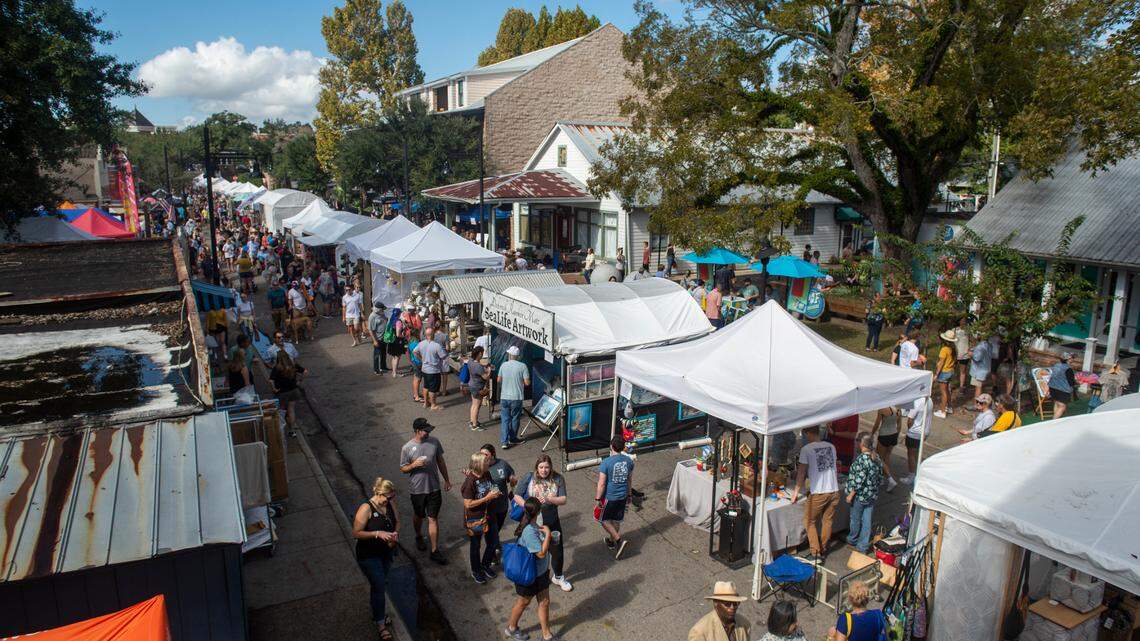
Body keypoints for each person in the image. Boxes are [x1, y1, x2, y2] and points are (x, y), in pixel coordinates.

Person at [504, 498, 562, 641]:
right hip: (529, 575)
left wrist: (549, 539)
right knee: (523, 602)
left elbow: (542, 547)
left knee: (544, 602)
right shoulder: (529, 531)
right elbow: (540, 553)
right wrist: (548, 534)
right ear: (538, 511)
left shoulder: (534, 525)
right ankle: (511, 628)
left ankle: (547, 636)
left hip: (540, 573)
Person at [515, 454, 571, 591]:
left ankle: (558, 577)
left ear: (551, 467)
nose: (544, 470)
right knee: (531, 551)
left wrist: (551, 499)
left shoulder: (558, 478)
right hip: (532, 521)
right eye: (541, 467)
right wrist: (528, 507)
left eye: (547, 467)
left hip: (552, 520)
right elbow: (517, 495)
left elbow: (563, 499)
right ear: (536, 467)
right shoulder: (529, 477)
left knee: (557, 551)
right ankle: (529, 574)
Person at [399, 418, 451, 565]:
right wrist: (414, 465)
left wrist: (446, 480)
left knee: (433, 518)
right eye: (425, 431)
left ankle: (434, 550)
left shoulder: (434, 442)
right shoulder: (407, 448)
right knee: (419, 515)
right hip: (417, 490)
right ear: (417, 431)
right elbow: (403, 468)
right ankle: (418, 535)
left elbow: (440, 461)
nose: (428, 433)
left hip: (434, 487)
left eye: (429, 430)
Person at [353, 477, 399, 641]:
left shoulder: (390, 504)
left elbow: (397, 522)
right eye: (387, 497)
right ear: (379, 494)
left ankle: (378, 610)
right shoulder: (366, 508)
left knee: (380, 583)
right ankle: (381, 624)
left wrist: (395, 535)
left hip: (387, 552)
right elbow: (356, 532)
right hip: (369, 556)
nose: (390, 500)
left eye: (392, 497)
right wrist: (377, 533)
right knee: (379, 586)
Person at [789, 426, 838, 562]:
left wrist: (795, 492)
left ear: (808, 433)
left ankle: (815, 553)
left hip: (820, 492)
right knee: (827, 521)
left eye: (804, 433)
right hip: (834, 489)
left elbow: (801, 473)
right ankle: (822, 548)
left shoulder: (807, 449)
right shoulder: (831, 446)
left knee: (809, 520)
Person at [462, 453, 501, 584]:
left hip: (490, 515)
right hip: (475, 519)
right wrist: (487, 498)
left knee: (493, 542)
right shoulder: (470, 482)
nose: (489, 462)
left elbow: (492, 486)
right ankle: (476, 571)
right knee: (475, 546)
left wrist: (496, 491)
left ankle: (485, 565)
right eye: (486, 461)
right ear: (478, 464)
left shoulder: (487, 474)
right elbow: (468, 504)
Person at [844, 433, 883, 554]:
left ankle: (852, 539)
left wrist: (851, 494)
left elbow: (859, 480)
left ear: (861, 444)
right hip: (872, 495)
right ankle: (863, 546)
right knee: (867, 520)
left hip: (860, 496)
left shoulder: (862, 459)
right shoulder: (877, 458)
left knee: (855, 519)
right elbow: (881, 478)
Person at [597, 435, 634, 559]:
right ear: (623, 447)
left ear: (611, 446)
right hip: (623, 496)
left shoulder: (606, 462)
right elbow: (629, 480)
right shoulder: (629, 461)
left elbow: (602, 483)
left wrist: (598, 499)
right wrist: (629, 495)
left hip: (610, 497)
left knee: (603, 519)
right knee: (616, 520)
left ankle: (618, 540)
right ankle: (612, 542)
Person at [480, 444, 515, 561]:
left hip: (502, 505)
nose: (483, 457)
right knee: (490, 531)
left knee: (497, 528)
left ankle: (495, 543)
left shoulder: (503, 464)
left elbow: (511, 477)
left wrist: (513, 481)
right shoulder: (479, 465)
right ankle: (492, 554)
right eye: (481, 454)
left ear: (493, 455)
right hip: (487, 507)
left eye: (486, 454)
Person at [497, 345, 529, 449]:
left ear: (509, 355)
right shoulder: (523, 366)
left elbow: (498, 380)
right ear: (518, 356)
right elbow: (527, 383)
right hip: (517, 397)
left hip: (504, 397)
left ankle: (504, 442)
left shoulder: (503, 365)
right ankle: (513, 438)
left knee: (505, 420)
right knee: (515, 418)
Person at [269, 350, 304, 432]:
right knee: (291, 409)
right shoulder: (293, 365)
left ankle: (281, 429)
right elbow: (305, 372)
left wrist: (274, 389)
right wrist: (299, 381)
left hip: (282, 393)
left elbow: (271, 381)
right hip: (293, 391)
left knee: (281, 411)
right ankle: (292, 429)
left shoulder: (277, 368)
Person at [414, 327, 448, 411]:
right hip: (434, 370)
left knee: (426, 386)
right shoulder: (437, 345)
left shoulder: (421, 343)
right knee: (433, 389)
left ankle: (426, 403)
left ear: (425, 335)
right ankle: (433, 405)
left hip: (425, 369)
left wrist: (421, 358)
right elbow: (443, 356)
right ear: (433, 335)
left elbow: (414, 352)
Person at [901, 397, 932, 484]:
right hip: (924, 431)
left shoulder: (917, 402)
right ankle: (917, 474)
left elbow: (910, 420)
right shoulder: (929, 400)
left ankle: (911, 476)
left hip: (914, 433)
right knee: (917, 454)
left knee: (911, 455)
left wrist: (909, 430)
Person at [870, 406, 899, 492]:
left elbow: (877, 423)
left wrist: (871, 434)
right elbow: (899, 424)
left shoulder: (882, 409)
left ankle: (889, 479)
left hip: (884, 435)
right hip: (894, 434)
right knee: (887, 456)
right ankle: (882, 478)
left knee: (879, 458)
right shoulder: (898, 409)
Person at [466, 347, 491, 430]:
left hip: (472, 384)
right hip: (478, 387)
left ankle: (472, 421)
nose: (483, 354)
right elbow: (486, 377)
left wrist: (484, 366)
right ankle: (475, 425)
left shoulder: (470, 361)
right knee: (477, 406)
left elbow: (478, 368)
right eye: (482, 353)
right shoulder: (478, 366)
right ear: (479, 354)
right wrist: (489, 370)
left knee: (473, 404)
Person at [933, 329, 956, 418]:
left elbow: (941, 363)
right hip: (950, 370)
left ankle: (943, 411)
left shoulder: (944, 349)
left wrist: (936, 374)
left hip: (944, 372)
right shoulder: (953, 348)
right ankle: (949, 407)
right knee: (947, 390)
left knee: (943, 392)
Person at [1048, 352, 1077, 418]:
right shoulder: (1068, 369)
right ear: (1068, 359)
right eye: (1072, 358)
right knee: (1062, 407)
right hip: (1062, 389)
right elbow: (1071, 382)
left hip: (1052, 387)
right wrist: (1078, 382)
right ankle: (1053, 422)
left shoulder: (1056, 365)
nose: (1073, 359)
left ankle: (1056, 420)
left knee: (1057, 403)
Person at [367, 302, 391, 374]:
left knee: (384, 353)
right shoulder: (372, 316)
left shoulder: (382, 314)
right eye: (382, 309)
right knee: (377, 355)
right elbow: (370, 330)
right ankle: (376, 370)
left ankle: (383, 367)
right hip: (378, 339)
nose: (383, 310)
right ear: (378, 309)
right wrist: (375, 341)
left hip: (384, 338)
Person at [970, 334, 993, 399]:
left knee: (978, 387)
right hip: (986, 368)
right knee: (980, 387)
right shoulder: (989, 345)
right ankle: (980, 403)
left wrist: (971, 355)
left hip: (979, 371)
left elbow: (977, 358)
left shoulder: (980, 347)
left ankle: (977, 405)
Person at [954, 317, 972, 394]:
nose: (964, 322)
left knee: (963, 371)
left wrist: (970, 349)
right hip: (955, 353)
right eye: (962, 320)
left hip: (964, 354)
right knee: (952, 369)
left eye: (965, 321)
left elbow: (972, 340)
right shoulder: (954, 330)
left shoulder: (968, 330)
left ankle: (961, 386)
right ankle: (951, 383)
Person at [407, 330, 424, 403]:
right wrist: (422, 359)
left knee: (416, 378)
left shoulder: (410, 342)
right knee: (418, 379)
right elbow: (416, 353)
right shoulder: (416, 343)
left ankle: (415, 394)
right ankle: (416, 396)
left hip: (414, 362)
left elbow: (408, 352)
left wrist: (410, 361)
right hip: (418, 362)